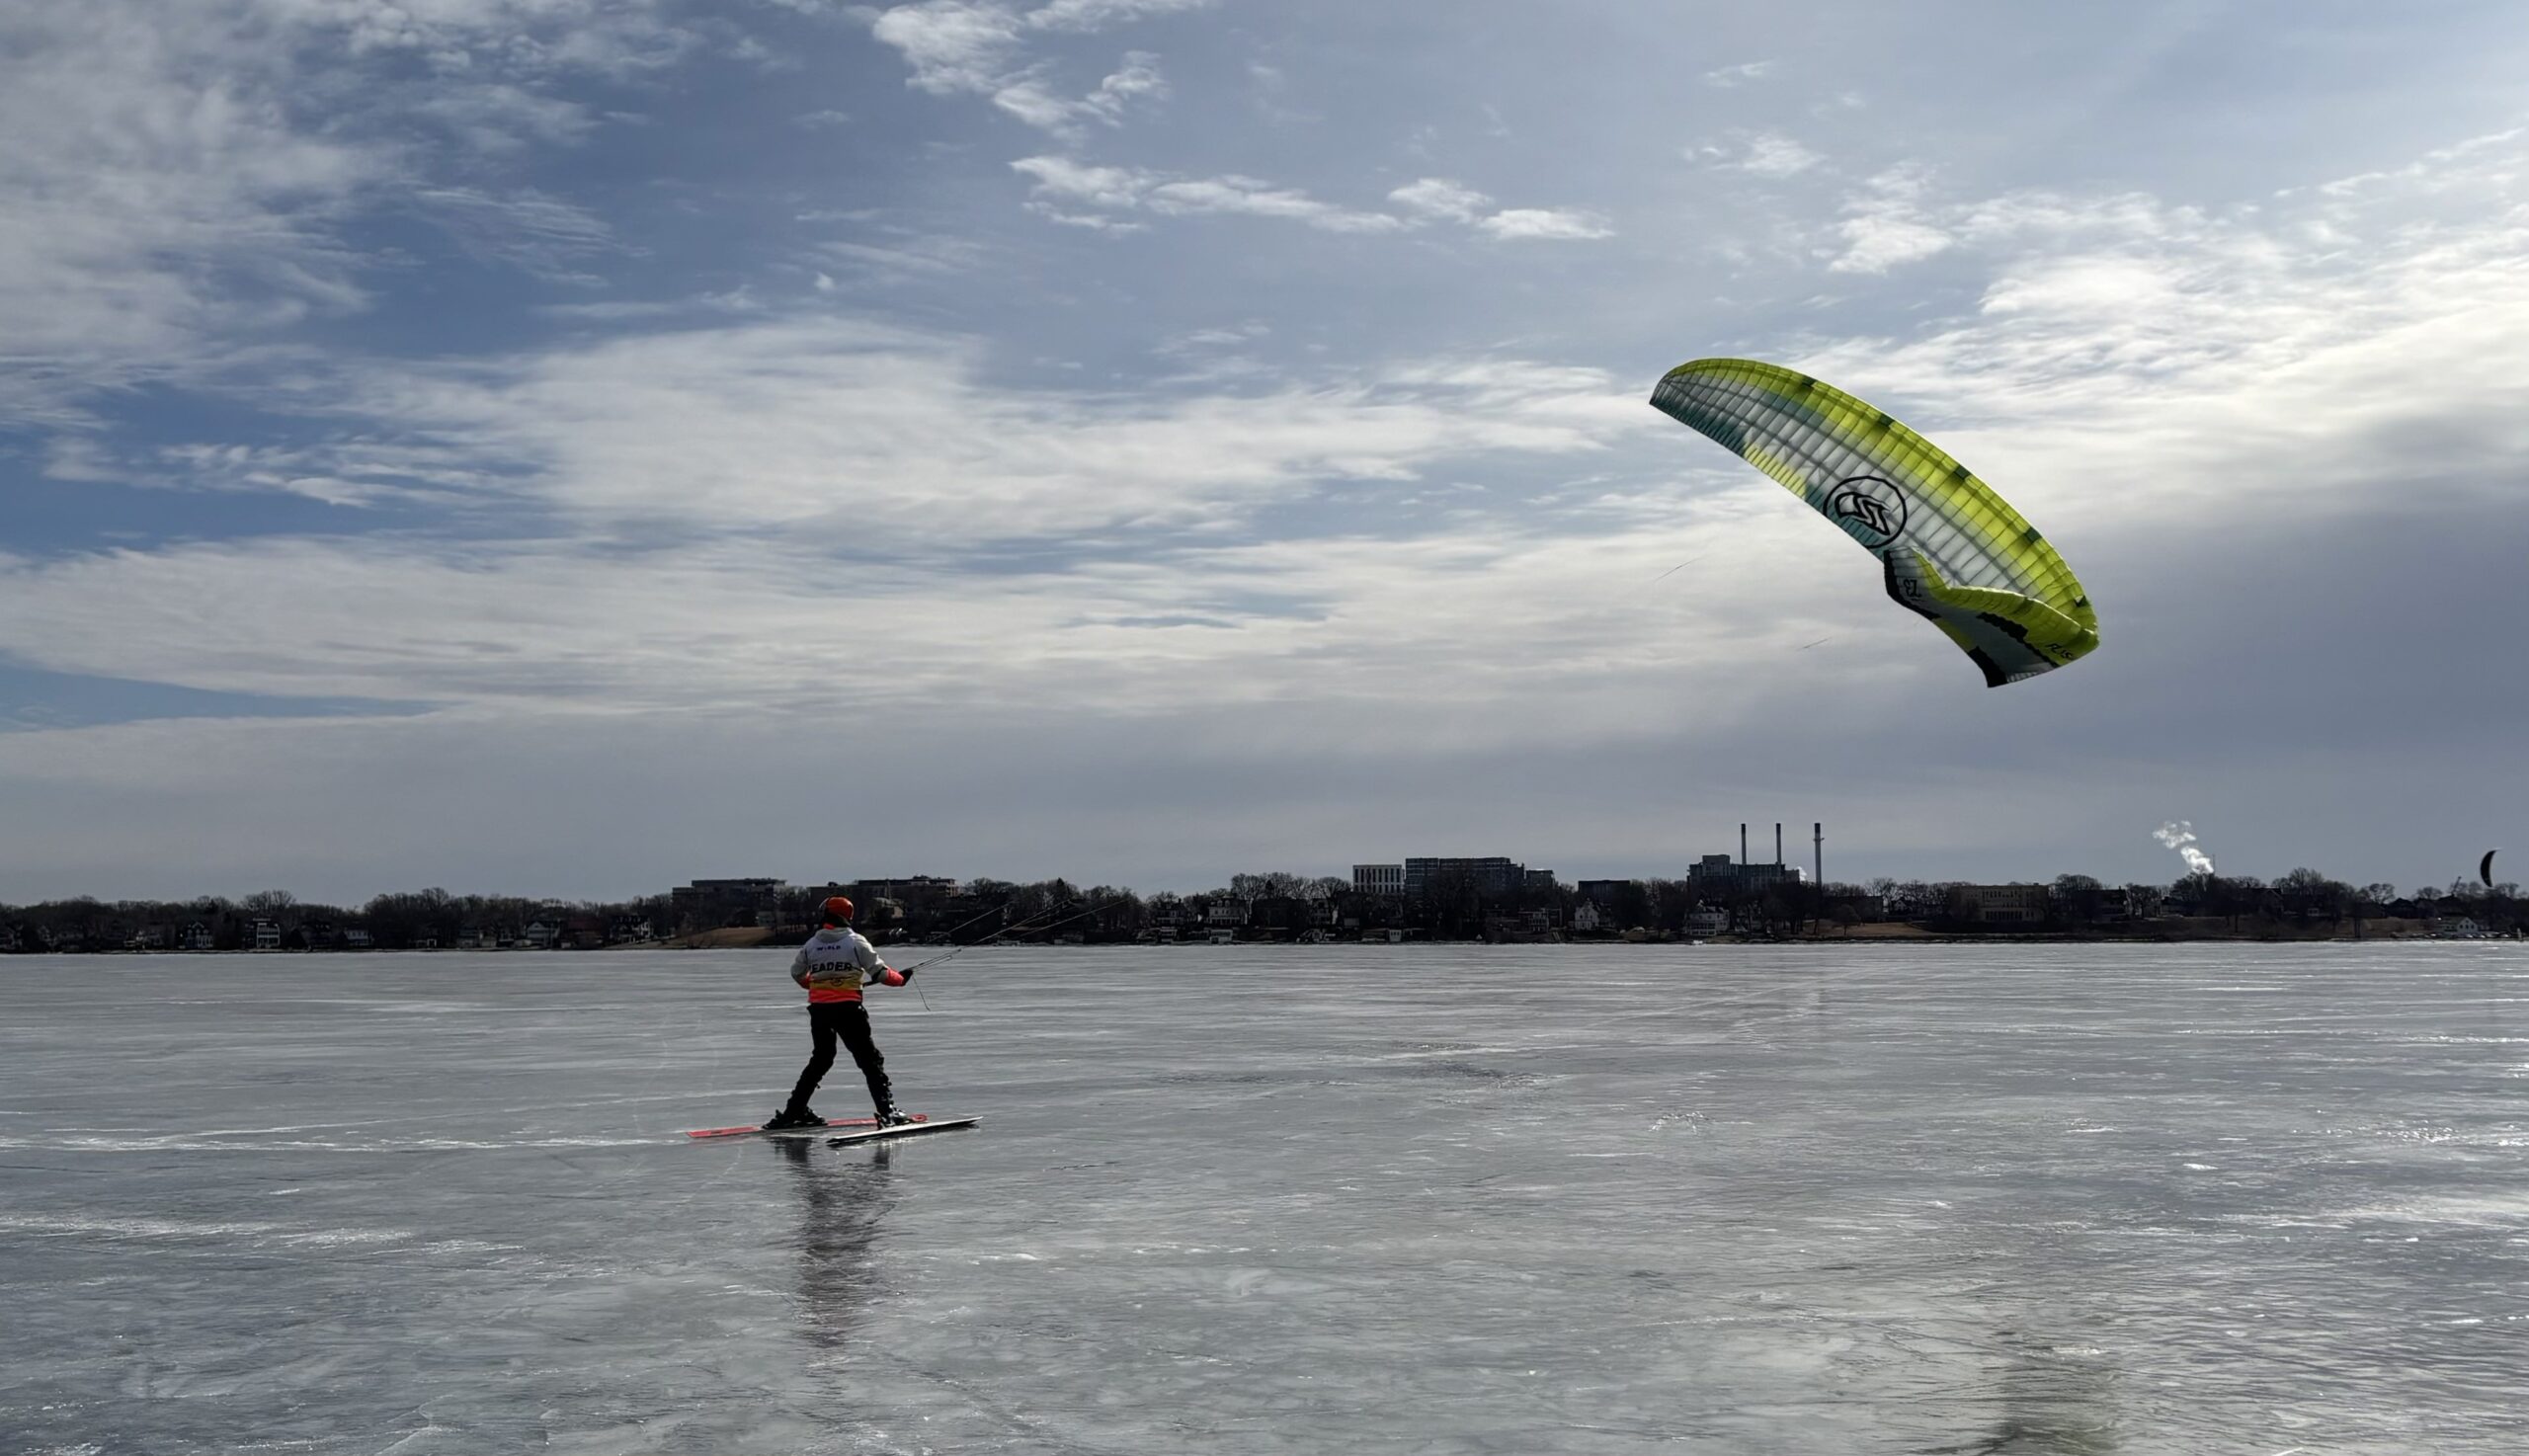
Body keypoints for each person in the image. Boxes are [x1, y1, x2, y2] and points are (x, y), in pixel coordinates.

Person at [764, 896, 913, 1130]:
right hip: (849, 1011)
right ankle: (888, 1113)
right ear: (848, 916)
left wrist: (814, 985)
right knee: (869, 1061)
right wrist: (901, 979)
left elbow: (797, 973)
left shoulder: (812, 944)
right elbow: (881, 974)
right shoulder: (856, 942)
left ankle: (793, 1112)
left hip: (819, 1012)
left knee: (821, 1060)